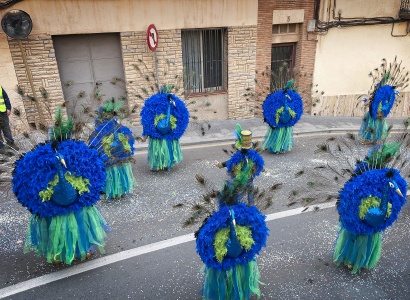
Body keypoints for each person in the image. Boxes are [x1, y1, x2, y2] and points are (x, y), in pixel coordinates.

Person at [0, 85, 19, 153]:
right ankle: (1, 147)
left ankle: (10, 143)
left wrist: (8, 108)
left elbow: (5, 97)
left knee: (6, 128)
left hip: (2, 112)